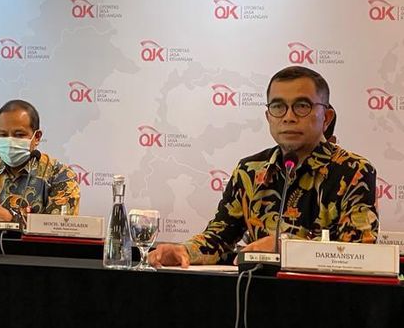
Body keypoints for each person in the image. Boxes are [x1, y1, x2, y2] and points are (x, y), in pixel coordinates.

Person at [149, 66, 378, 267]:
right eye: (278, 107)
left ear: (326, 117)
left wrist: (285, 247)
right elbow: (219, 237)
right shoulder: (250, 170)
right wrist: (183, 251)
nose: (288, 117)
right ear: (268, 117)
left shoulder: (353, 170)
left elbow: (358, 251)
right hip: (257, 294)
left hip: (325, 297)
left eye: (301, 106)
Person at [0, 99, 80, 221]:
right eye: (3, 135)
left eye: (19, 135)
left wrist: (8, 218)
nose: (10, 141)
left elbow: (60, 227)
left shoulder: (60, 176)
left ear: (37, 137)